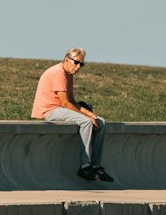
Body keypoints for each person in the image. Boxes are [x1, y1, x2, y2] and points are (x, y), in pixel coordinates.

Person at [31, 47, 114, 182]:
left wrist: (90, 113)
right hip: (49, 110)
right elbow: (64, 103)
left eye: (81, 64)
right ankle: (85, 167)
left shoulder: (68, 74)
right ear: (66, 59)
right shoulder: (58, 73)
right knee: (86, 122)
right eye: (76, 62)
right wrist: (87, 117)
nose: (78, 67)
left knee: (100, 122)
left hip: (61, 108)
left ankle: (96, 166)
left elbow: (72, 102)